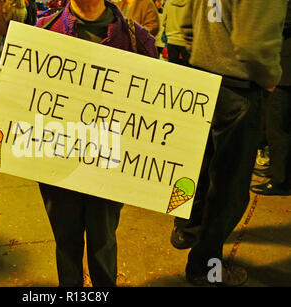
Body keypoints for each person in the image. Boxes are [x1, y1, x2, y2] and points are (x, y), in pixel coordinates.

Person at [36, 0, 158, 287]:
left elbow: (154, 107)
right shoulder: (43, 33)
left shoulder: (136, 39)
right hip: (59, 163)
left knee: (103, 242)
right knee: (66, 242)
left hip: (109, 165)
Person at [169, 0, 287, 286]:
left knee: (201, 166)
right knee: (229, 190)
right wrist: (271, 77)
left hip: (204, 77)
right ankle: (205, 268)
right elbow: (252, 46)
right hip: (238, 86)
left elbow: (185, 25)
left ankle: (187, 229)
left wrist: (202, 53)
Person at [251, 2, 291, 196]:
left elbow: (283, 22)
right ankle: (278, 168)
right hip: (284, 68)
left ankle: (280, 180)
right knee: (277, 124)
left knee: (278, 126)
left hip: (286, 70)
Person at [163, 0, 190, 66]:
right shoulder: (191, 3)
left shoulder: (168, 2)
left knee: (172, 68)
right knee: (188, 70)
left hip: (171, 40)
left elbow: (164, 22)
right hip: (186, 41)